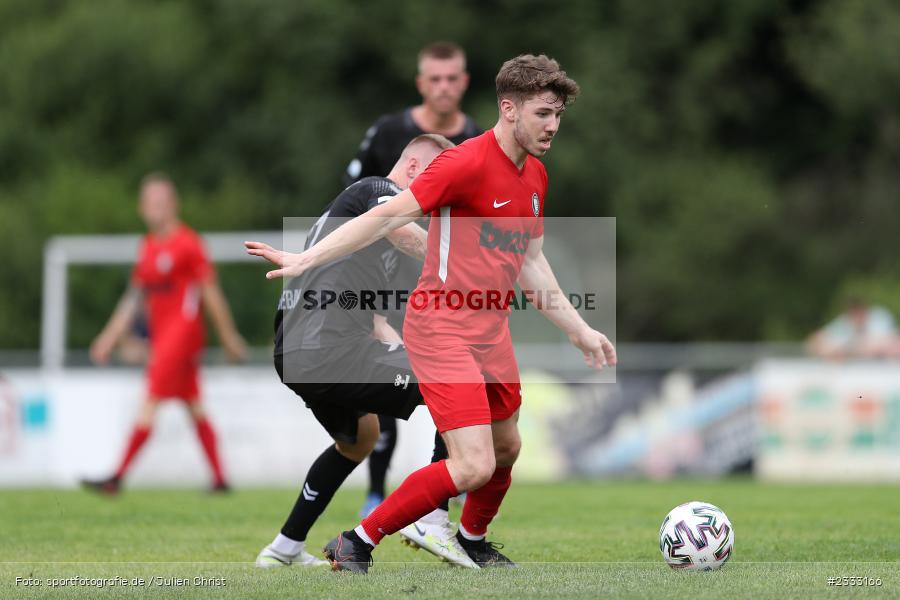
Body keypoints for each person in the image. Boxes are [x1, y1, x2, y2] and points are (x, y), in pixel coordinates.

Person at [246, 54, 617, 573]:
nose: (553, 125)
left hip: (491, 332)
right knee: (473, 463)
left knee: (507, 447)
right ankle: (360, 539)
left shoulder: (535, 176)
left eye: (558, 114)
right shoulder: (462, 163)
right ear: (508, 109)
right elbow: (384, 216)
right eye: (543, 113)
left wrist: (579, 328)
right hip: (441, 328)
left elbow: (531, 261)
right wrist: (306, 257)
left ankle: (471, 538)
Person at [254, 134, 476, 569]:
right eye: (439, 181)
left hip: (298, 353)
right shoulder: (378, 190)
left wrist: (407, 349)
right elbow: (404, 232)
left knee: (361, 439)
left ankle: (283, 549)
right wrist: (466, 262)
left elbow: (376, 318)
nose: (438, 200)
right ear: (415, 170)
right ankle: (432, 517)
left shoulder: (369, 247)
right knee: (458, 379)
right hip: (326, 348)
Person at [344, 41, 482, 520]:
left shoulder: (480, 141)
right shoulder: (388, 133)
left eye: (452, 78)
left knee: (454, 385)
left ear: (463, 83)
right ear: (421, 83)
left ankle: (439, 495)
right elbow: (358, 201)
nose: (444, 87)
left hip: (447, 286)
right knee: (387, 387)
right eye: (434, 79)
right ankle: (378, 492)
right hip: (387, 282)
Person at [82, 174, 247, 494]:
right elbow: (134, 299)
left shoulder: (188, 243)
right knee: (193, 404)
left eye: (161, 203)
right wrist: (108, 337)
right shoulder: (146, 247)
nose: (154, 209)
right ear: (141, 208)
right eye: (149, 204)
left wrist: (228, 336)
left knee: (151, 398)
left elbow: (211, 294)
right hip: (163, 336)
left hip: (183, 334)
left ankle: (116, 477)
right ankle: (220, 479)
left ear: (173, 205)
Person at [806, 298, 900, 360]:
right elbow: (815, 340)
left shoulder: (879, 317)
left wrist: (843, 350)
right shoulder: (845, 323)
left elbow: (877, 347)